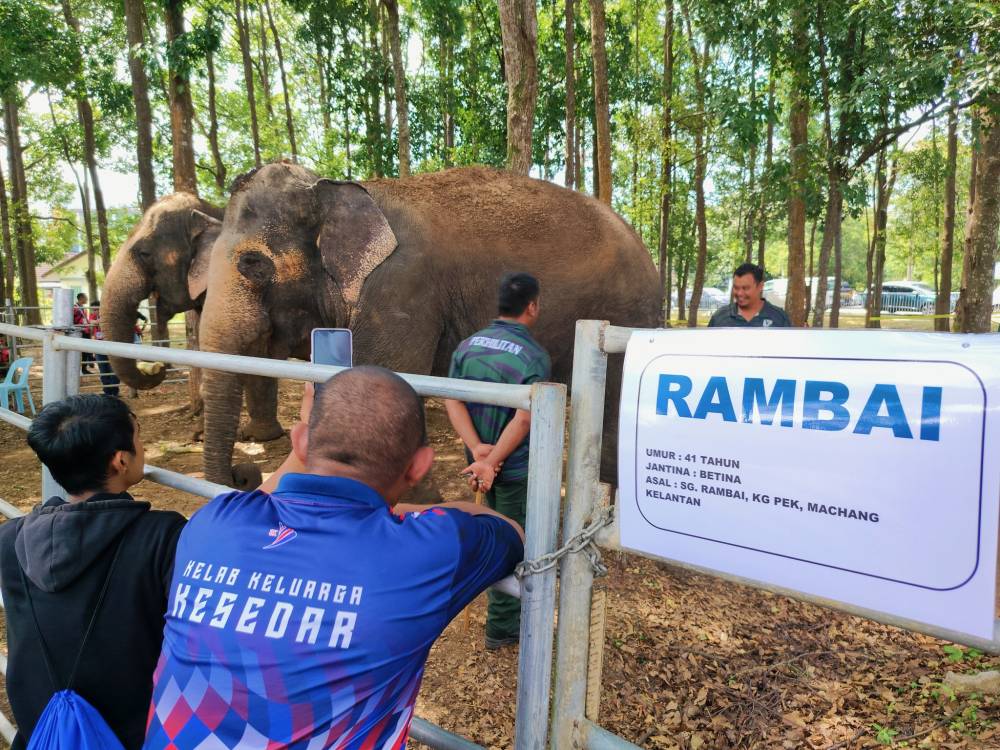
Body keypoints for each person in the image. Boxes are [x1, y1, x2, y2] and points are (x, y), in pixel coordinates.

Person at [143, 367, 524, 749]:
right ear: (420, 465)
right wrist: (402, 515)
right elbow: (509, 530)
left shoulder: (211, 523)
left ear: (300, 441)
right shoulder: (428, 550)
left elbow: (270, 497)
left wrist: (309, 443)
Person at [0, 395, 186, 750]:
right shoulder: (163, 537)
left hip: (44, 733)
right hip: (135, 736)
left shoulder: (10, 540)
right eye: (138, 436)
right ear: (120, 460)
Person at [444, 272, 551, 650]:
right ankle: (502, 626)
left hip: (478, 463)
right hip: (512, 468)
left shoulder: (467, 346)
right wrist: (494, 461)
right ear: (532, 306)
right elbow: (524, 419)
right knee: (512, 539)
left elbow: (451, 398)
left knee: (488, 527)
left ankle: (495, 609)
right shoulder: (534, 356)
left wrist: (477, 450)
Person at [708, 263, 791, 328]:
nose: (740, 293)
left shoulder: (779, 318)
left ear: (760, 286)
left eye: (745, 288)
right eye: (736, 288)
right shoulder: (720, 317)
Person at [89, 299, 121, 396]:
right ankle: (107, 392)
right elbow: (91, 322)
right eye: (93, 310)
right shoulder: (93, 316)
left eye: (97, 309)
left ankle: (114, 392)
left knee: (113, 369)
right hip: (99, 346)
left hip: (111, 345)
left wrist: (99, 321)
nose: (95, 312)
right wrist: (96, 321)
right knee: (103, 369)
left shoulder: (108, 315)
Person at [73, 292, 95, 374]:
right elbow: (73, 320)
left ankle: (84, 368)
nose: (87, 299)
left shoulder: (84, 308)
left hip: (86, 330)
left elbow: (85, 319)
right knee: (83, 350)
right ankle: (89, 360)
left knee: (86, 350)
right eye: (86, 298)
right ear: (81, 298)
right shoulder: (75, 308)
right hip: (79, 331)